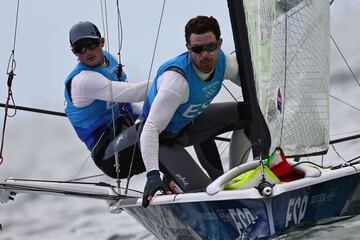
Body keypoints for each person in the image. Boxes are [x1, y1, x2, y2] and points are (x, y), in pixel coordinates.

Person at [141, 16, 250, 207]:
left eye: (210, 47)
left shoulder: (225, 63)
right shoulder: (177, 82)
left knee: (251, 111)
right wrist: (152, 175)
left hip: (190, 126)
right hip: (164, 141)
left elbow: (254, 91)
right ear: (188, 48)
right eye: (198, 49)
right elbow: (149, 129)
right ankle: (171, 183)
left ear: (220, 44)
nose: (205, 55)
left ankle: (236, 180)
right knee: (207, 195)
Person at [64, 21, 148, 179]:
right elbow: (134, 92)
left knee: (172, 119)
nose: (87, 51)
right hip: (108, 154)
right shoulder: (83, 80)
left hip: (126, 131)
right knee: (152, 128)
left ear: (101, 42)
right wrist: (171, 81)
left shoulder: (108, 60)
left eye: (91, 44)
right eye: (79, 48)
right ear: (74, 52)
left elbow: (130, 106)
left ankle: (176, 184)